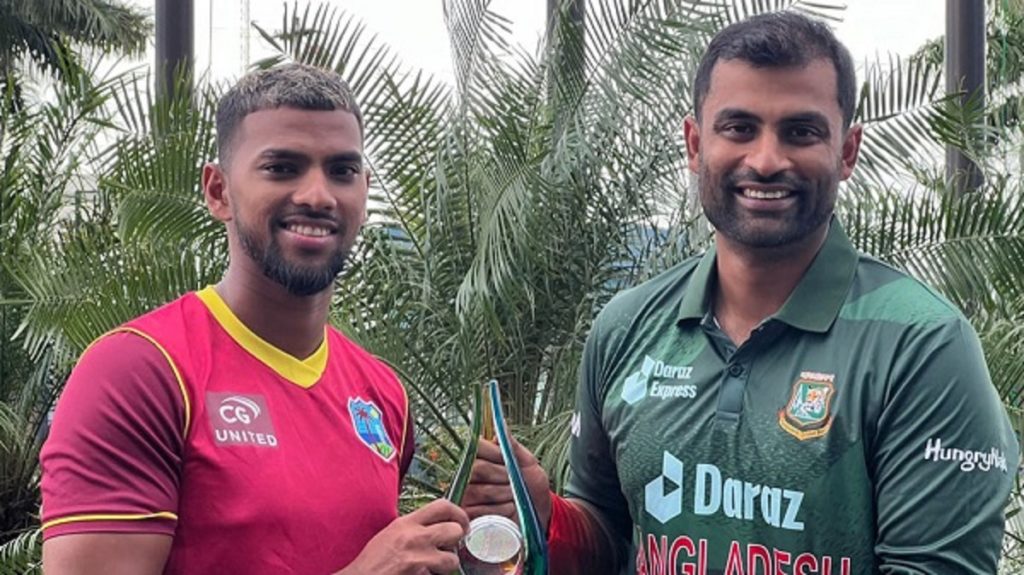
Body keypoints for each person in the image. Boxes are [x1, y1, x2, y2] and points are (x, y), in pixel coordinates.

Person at [463, 11, 1020, 574]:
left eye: (801, 132)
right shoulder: (626, 328)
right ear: (694, 144)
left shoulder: (921, 346)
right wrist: (544, 518)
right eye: (739, 128)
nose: (766, 160)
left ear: (847, 151)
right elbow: (606, 535)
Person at [40, 63, 469, 574]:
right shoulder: (140, 372)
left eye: (342, 171)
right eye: (282, 168)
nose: (318, 195)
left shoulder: (382, 395)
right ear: (218, 191)